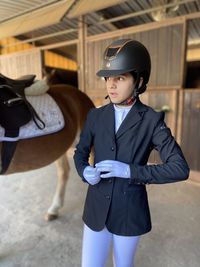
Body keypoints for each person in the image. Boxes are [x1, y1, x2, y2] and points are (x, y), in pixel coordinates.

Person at [73, 39, 190, 267]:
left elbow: (180, 168)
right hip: (96, 207)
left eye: (120, 78)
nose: (111, 85)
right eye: (108, 78)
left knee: (124, 264)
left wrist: (129, 171)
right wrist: (84, 170)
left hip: (129, 211)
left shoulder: (151, 121)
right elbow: (80, 153)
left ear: (140, 80)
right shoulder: (95, 116)